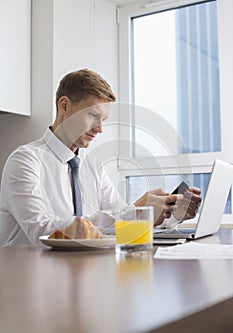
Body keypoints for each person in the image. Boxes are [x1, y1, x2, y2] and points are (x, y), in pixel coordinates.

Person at [0, 68, 201, 246]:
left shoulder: (92, 165)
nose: (100, 129)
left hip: (83, 271)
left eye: (103, 119)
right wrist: (136, 211)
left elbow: (121, 226)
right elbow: (43, 232)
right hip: (29, 277)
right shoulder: (24, 161)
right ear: (64, 106)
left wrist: (169, 215)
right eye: (93, 116)